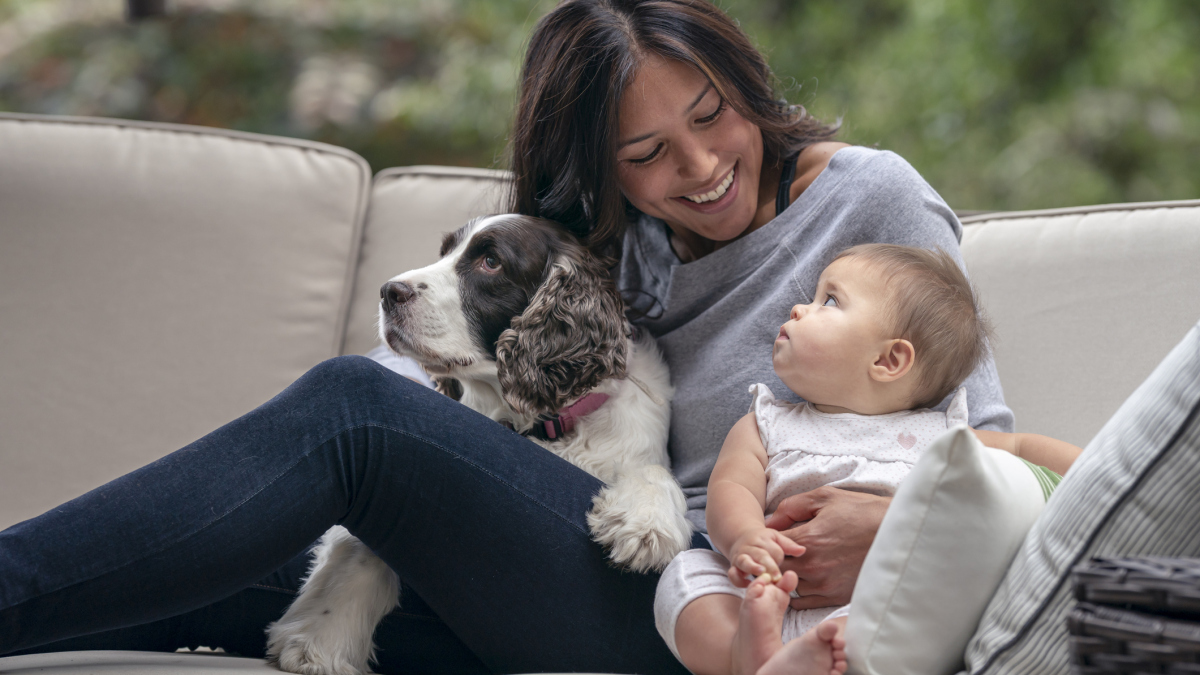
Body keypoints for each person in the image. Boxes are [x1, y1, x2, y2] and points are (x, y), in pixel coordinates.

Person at [0, 1, 1014, 673]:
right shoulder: (626, 247)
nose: (702, 167)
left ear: (748, 88)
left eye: (715, 116)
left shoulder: (872, 201)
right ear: (603, 169)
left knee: (358, 407)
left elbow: (1002, 456)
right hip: (607, 567)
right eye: (649, 154)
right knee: (220, 567)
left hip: (706, 618)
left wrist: (890, 526)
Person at [653, 244, 1081, 675]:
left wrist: (1092, 468)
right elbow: (731, 488)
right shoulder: (766, 422)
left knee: (922, 609)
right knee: (686, 575)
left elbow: (1022, 449)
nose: (799, 308)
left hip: (866, 608)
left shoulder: (941, 437)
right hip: (761, 592)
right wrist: (745, 537)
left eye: (830, 301)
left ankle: (798, 662)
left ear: (888, 359)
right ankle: (743, 656)